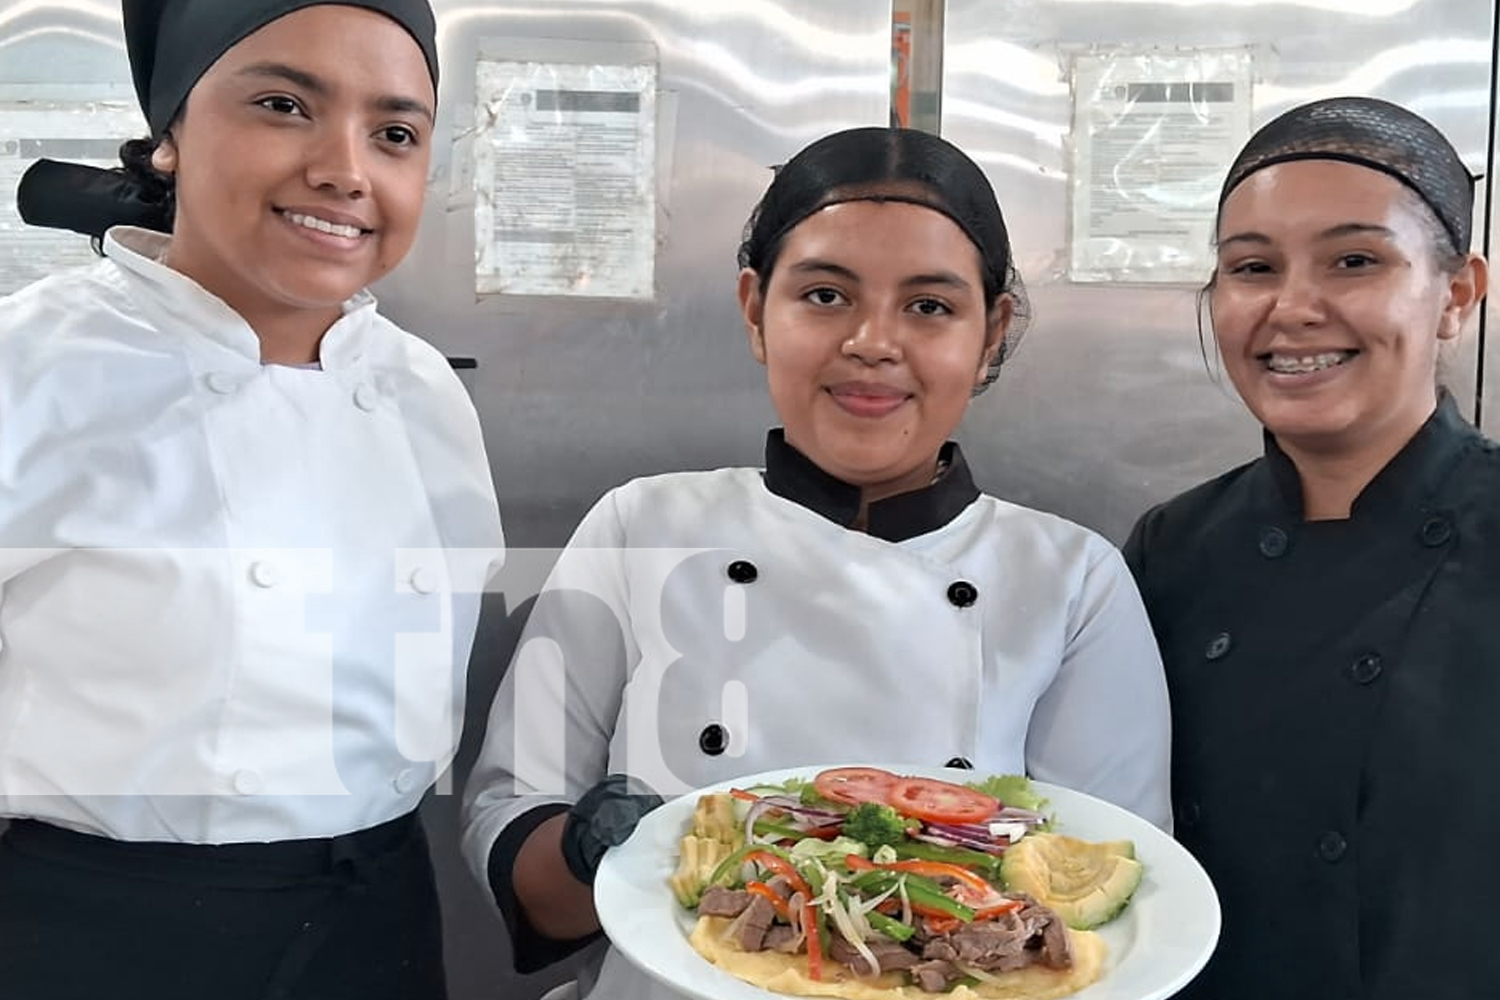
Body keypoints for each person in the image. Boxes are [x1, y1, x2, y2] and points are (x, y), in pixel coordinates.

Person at [463, 126, 1171, 999]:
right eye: (827, 295)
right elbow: (512, 819)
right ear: (757, 309)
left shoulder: (1073, 578)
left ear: (993, 332)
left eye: (930, 307)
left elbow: (1111, 891)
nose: (874, 342)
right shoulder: (640, 524)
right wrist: (584, 846)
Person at [0, 3, 503, 999]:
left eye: (394, 133)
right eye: (284, 104)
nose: (345, 169)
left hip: (375, 921)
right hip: (83, 934)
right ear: (172, 136)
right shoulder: (27, 367)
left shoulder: (425, 394)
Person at [1123, 96, 1494, 1000]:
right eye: (1251, 268)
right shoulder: (1170, 549)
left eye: (1355, 261)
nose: (1292, 308)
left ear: (1455, 296)